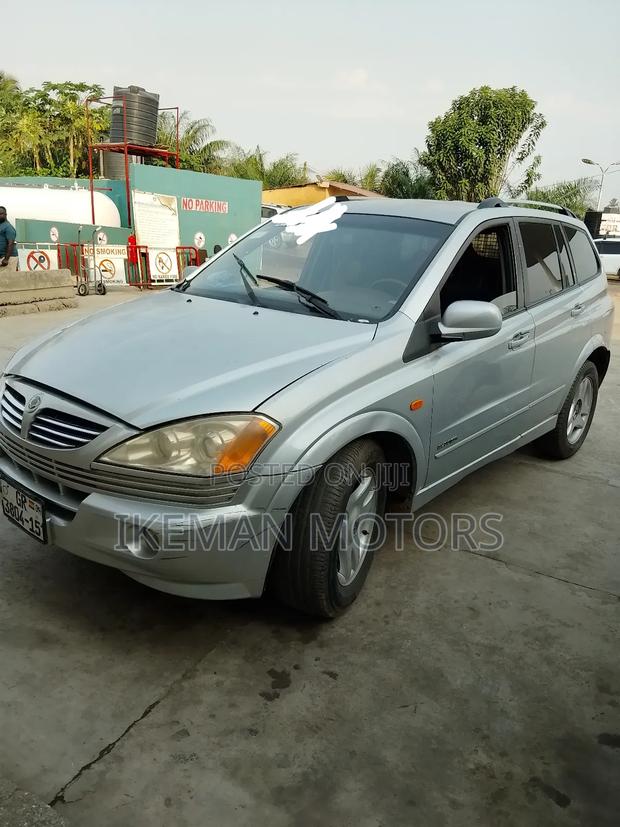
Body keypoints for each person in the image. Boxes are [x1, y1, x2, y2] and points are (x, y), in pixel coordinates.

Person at [0, 206, 18, 271]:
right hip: (2, 258)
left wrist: (6, 259)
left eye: (1, 214)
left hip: (9, 258)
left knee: (9, 280)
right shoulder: (1, 225)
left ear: (5, 215)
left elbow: (11, 243)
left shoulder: (8, 227)